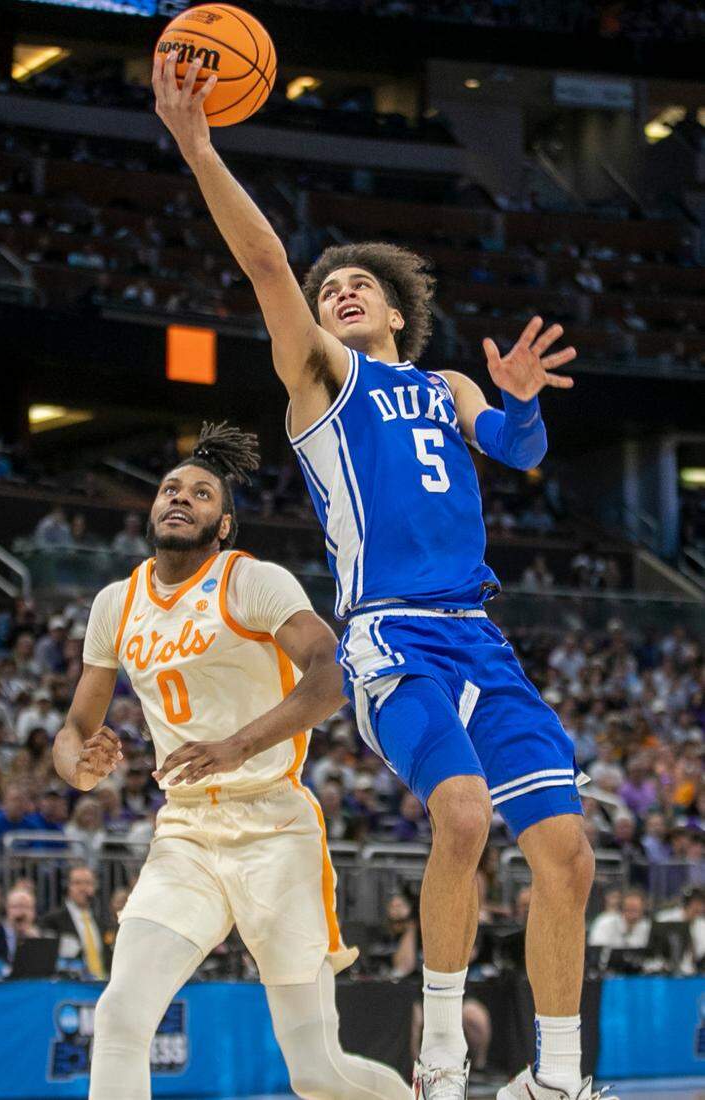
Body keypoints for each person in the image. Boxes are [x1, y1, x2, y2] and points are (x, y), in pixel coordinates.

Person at [152, 56, 600, 1100]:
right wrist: (201, 147)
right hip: (393, 630)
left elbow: (522, 450)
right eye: (328, 289)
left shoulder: (443, 383)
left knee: (568, 852)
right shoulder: (323, 378)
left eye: (358, 285)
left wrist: (523, 402)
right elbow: (268, 267)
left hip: (479, 633)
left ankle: (558, 1081)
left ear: (397, 311)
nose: (337, 290)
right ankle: (441, 1063)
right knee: (460, 814)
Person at [53, 423, 409, 1100]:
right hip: (185, 832)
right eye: (169, 489)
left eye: (201, 492)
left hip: (274, 828)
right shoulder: (115, 604)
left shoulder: (251, 581)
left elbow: (332, 672)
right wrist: (79, 766)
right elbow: (73, 731)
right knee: (120, 1014)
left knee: (316, 1072)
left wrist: (238, 745)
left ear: (225, 523)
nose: (180, 499)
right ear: (152, 509)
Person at [39, 863, 107, 979]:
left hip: (101, 987)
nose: (83, 888)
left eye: (88, 883)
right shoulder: (52, 920)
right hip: (71, 988)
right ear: (68, 887)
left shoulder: (103, 923)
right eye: (77, 883)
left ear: (95, 888)